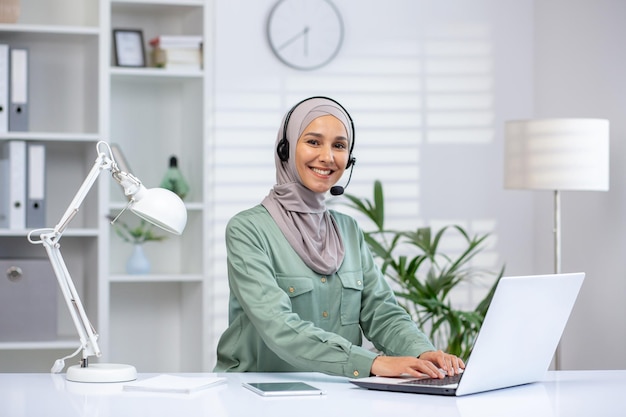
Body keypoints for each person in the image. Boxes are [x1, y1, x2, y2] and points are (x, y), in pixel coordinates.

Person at [214, 96, 465, 379]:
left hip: (336, 392)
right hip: (253, 390)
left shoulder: (348, 230)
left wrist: (422, 352)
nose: (327, 157)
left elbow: (382, 312)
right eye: (313, 142)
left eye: (339, 146)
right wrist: (371, 363)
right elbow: (278, 326)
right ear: (285, 149)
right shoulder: (248, 229)